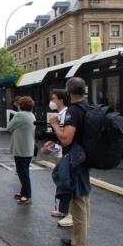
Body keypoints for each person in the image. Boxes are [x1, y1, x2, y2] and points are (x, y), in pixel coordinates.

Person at [49, 77, 91, 246]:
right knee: (82, 201)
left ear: (69, 92)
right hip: (83, 158)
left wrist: (55, 125)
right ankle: (76, 240)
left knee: (79, 204)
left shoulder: (74, 110)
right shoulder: (86, 106)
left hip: (76, 160)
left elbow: (66, 140)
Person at [41, 89, 72, 226]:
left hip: (66, 154)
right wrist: (52, 146)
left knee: (67, 182)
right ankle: (63, 209)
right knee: (62, 181)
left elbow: (65, 137)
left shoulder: (66, 114)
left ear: (60, 99)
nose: (51, 101)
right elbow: (59, 138)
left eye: (53, 98)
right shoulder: (60, 114)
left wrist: (53, 147)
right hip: (61, 152)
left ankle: (71, 214)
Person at [7, 96, 36, 205]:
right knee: (25, 170)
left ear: (21, 105)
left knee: (22, 172)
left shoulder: (19, 115)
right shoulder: (31, 115)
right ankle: (23, 192)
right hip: (29, 148)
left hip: (20, 148)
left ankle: (27, 195)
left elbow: (9, 127)